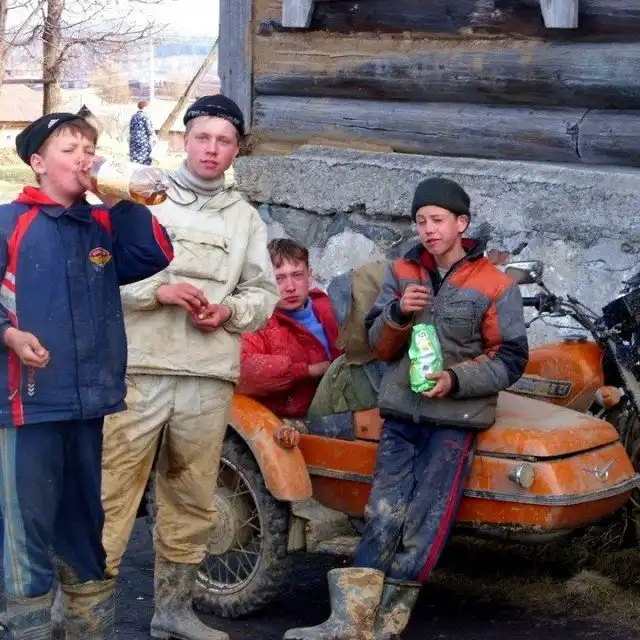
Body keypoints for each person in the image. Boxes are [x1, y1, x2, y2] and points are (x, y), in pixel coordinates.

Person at [284, 177, 528, 640]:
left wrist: (455, 379)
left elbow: (511, 358)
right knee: (382, 512)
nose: (429, 229)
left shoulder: (495, 284)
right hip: (400, 414)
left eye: (438, 220)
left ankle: (388, 622)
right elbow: (379, 346)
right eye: (421, 221)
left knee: (424, 521)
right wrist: (397, 313)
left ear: (461, 223)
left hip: (453, 420)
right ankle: (350, 621)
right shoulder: (402, 271)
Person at [101, 95, 279, 640]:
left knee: (193, 498)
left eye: (224, 141)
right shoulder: (144, 199)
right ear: (185, 139)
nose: (211, 149)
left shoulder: (245, 218)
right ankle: (84, 614)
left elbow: (263, 293)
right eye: (203, 137)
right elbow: (100, 273)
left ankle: (174, 612)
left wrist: (230, 311)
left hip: (207, 375)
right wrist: (159, 291)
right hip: (139, 369)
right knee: (110, 493)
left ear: (236, 150)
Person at [0, 113, 173, 639]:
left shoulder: (101, 223)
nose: (84, 158)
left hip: (89, 403)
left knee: (83, 531)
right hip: (26, 406)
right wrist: (9, 334)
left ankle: (86, 628)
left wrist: (120, 197)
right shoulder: (10, 222)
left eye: (89, 148)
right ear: (37, 163)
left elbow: (154, 254)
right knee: (25, 533)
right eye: (69, 149)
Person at [236, 238, 341, 418]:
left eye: (297, 275)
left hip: (341, 410)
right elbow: (242, 371)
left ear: (310, 275)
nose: (290, 287)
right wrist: (309, 370)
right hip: (288, 421)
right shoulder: (257, 321)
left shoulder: (332, 308)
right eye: (279, 278)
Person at [129, 100, 156, 165]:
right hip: (143, 140)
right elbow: (149, 129)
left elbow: (131, 128)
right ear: (145, 107)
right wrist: (154, 136)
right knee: (144, 159)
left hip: (133, 139)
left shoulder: (134, 116)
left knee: (134, 158)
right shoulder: (146, 116)